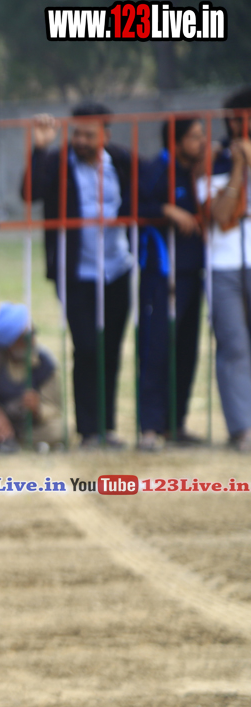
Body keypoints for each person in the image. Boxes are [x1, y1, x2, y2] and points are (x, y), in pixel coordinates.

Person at [26, 102, 134, 448]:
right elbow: (30, 192)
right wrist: (39, 148)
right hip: (75, 273)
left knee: (111, 349)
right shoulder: (57, 162)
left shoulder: (122, 160)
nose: (81, 141)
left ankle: (107, 427)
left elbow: (144, 193)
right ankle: (88, 431)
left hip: (117, 268)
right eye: (77, 134)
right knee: (87, 347)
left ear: (106, 136)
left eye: (89, 135)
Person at [136, 117, 207, 451]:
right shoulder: (156, 170)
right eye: (195, 137)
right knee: (156, 348)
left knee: (186, 350)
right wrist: (167, 210)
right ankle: (150, 427)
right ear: (176, 142)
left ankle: (175, 424)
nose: (202, 142)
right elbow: (133, 205)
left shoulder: (197, 171)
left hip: (194, 272)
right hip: (162, 273)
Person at [199, 86, 251, 452]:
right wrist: (238, 167)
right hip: (224, 264)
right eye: (237, 120)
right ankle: (242, 428)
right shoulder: (215, 158)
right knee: (233, 345)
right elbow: (219, 215)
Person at [0, 303, 62, 451]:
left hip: (27, 424)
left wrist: (38, 409)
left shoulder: (45, 364)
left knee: (61, 428)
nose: (33, 341)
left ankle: (13, 441)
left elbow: (54, 408)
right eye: (26, 337)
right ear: (10, 342)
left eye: (33, 333)